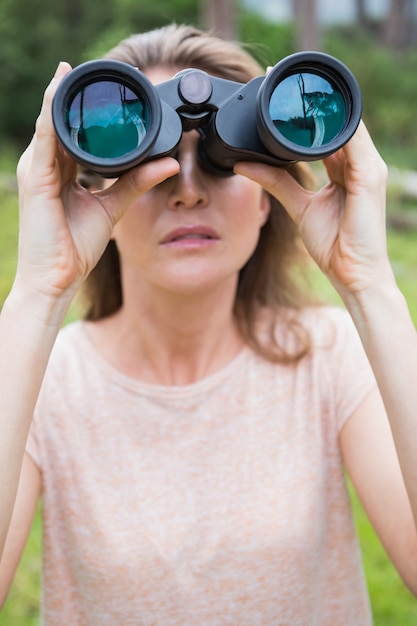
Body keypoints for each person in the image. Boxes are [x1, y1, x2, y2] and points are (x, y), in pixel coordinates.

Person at [0, 23, 417, 626]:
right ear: (90, 187)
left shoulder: (330, 356)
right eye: (155, 162)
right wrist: (39, 293)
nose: (188, 191)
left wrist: (371, 286)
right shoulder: (43, 380)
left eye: (224, 164)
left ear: (269, 190)